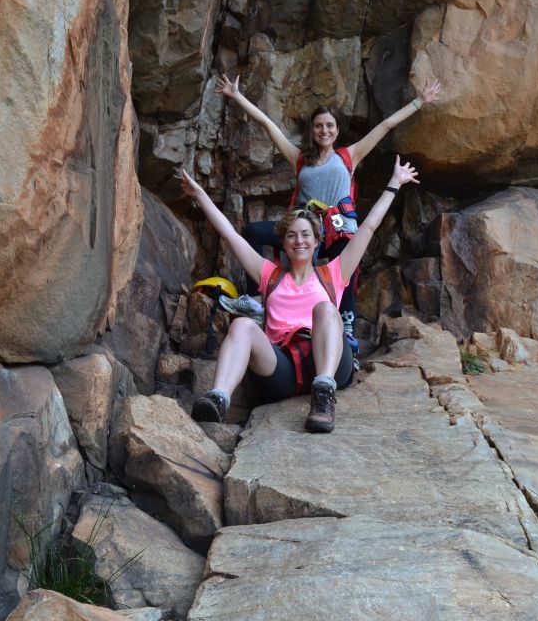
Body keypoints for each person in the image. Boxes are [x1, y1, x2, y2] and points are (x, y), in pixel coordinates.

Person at [180, 155, 421, 433]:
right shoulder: (269, 274)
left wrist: (395, 183)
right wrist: (200, 195)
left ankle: (323, 395)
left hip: (328, 362)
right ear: (283, 243)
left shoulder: (334, 272)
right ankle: (218, 398)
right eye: (291, 235)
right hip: (282, 366)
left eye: (306, 235)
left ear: (317, 241)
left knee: (325, 309)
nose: (299, 241)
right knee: (242, 324)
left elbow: (367, 228)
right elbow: (230, 235)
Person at [214, 74, 442, 344]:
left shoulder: (349, 156)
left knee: (345, 264)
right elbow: (267, 123)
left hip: (337, 229)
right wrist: (237, 96)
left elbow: (386, 125)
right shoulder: (300, 159)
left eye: (329, 126)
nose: (324, 131)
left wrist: (420, 101)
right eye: (319, 126)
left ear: (337, 130)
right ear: (312, 131)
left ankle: (346, 324)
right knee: (254, 232)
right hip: (306, 231)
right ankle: (256, 301)